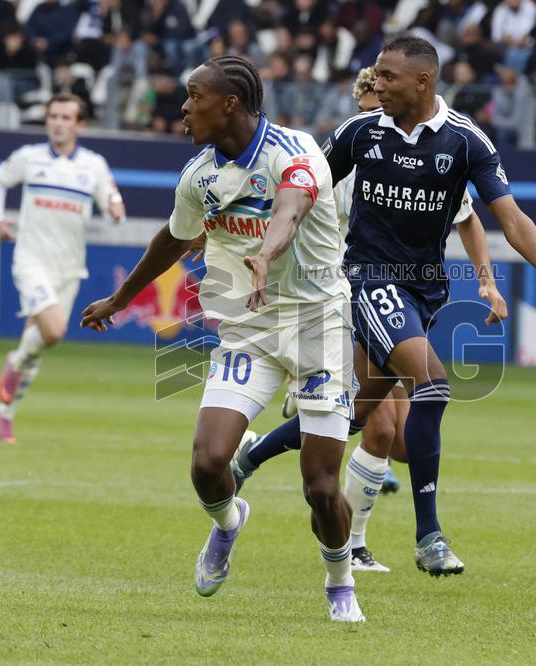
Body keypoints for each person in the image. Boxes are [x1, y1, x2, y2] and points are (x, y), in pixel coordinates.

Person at [233, 36, 536, 577]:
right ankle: (428, 534)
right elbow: (303, 186)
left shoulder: (464, 142)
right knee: (432, 383)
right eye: (377, 76)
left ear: (422, 82)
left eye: (387, 77)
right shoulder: (360, 133)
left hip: (425, 291)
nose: (377, 85)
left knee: (355, 412)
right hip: (366, 278)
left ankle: (252, 455)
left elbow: (508, 217)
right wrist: (269, 241)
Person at [79, 56, 366, 623]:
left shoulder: (297, 149)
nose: (183, 108)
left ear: (229, 103)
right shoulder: (199, 175)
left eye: (193, 96)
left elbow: (293, 204)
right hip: (248, 328)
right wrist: (120, 298)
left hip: (320, 326)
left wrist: (266, 250)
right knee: (208, 464)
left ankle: (340, 583)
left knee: (320, 484)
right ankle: (230, 523)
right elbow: (173, 238)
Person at [243, 66, 511, 574]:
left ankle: (251, 457)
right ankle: (389, 540)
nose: (377, 118)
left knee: (370, 423)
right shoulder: (349, 156)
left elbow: (466, 216)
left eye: (381, 106)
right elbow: (293, 211)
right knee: (395, 414)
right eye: (367, 108)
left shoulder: (427, 155)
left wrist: (487, 279)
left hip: (401, 295)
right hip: (346, 294)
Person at [0, 92, 126, 445]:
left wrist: (115, 210)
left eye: (66, 118)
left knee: (38, 344)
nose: (58, 123)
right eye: (53, 117)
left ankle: (4, 415)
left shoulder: (93, 164)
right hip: (31, 261)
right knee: (53, 331)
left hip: (69, 269)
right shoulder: (29, 158)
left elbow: (112, 200)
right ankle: (14, 363)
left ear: (79, 124)